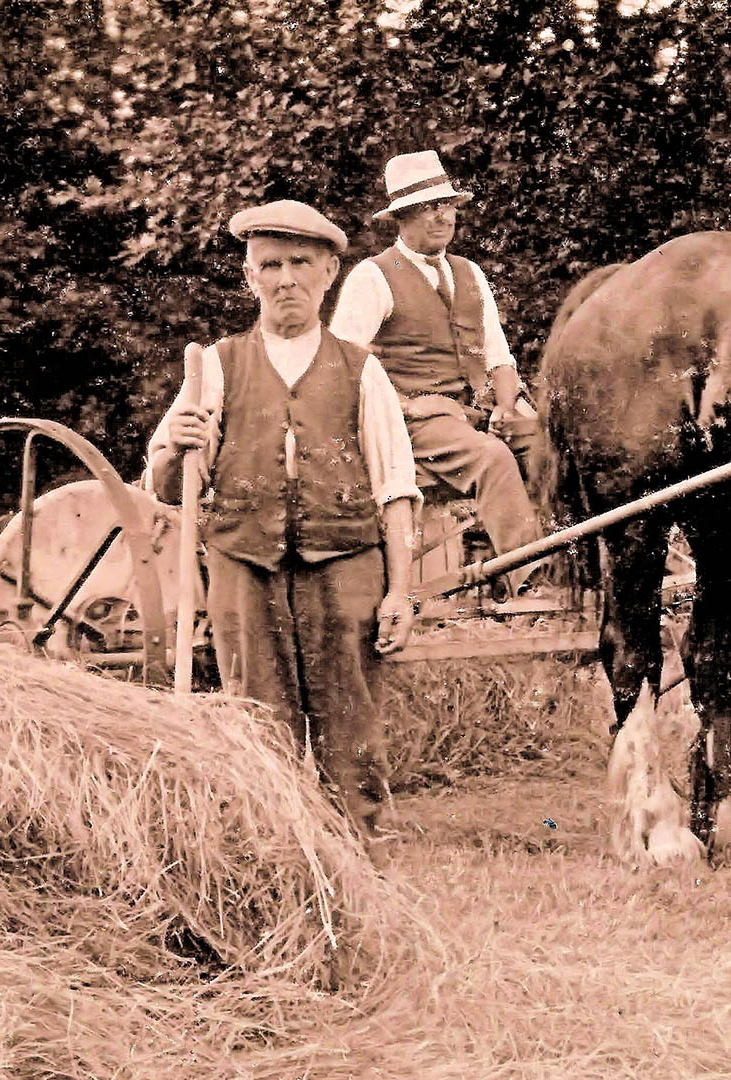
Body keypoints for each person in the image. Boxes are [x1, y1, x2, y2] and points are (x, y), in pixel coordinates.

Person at [145, 199, 420, 864]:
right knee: (256, 720)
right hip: (246, 566)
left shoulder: (362, 370)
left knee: (350, 723)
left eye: (301, 263)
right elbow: (163, 484)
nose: (286, 277)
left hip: (346, 567)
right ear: (249, 277)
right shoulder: (213, 366)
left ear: (330, 273)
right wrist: (174, 446)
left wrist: (400, 592)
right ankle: (269, 862)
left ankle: (362, 867)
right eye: (270, 264)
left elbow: (397, 490)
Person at [329, 150, 547, 599]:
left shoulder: (470, 273)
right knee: (493, 459)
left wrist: (506, 407)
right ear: (401, 219)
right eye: (428, 208)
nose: (441, 216)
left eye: (446, 205)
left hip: (468, 415)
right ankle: (529, 583)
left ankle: (572, 569)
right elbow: (341, 366)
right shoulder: (372, 277)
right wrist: (407, 405)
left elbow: (498, 356)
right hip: (408, 425)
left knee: (550, 445)